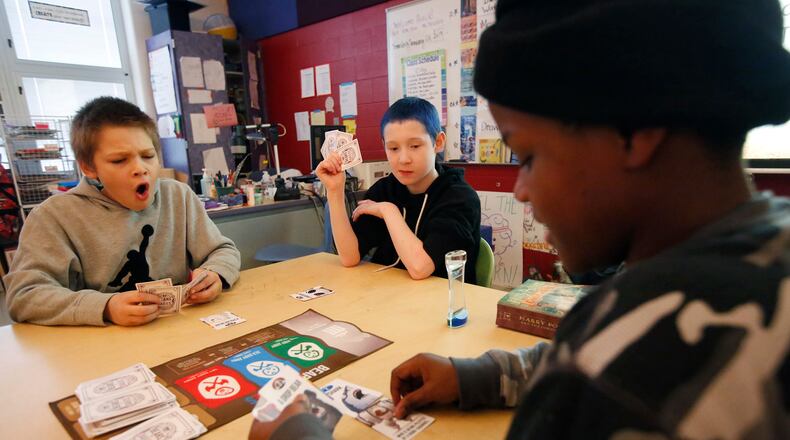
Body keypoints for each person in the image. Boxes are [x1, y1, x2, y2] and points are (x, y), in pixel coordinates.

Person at [249, 0, 790, 438]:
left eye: (529, 156)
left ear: (636, 133)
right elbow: (578, 349)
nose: (522, 191)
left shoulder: (624, 388)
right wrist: (476, 374)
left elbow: (598, 366)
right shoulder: (739, 253)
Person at [5, 97, 241, 326]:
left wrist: (215, 273)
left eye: (148, 156)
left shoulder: (178, 195)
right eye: (119, 160)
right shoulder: (53, 216)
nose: (140, 168)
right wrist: (105, 307)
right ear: (88, 167)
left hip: (178, 330)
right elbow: (24, 296)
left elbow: (222, 250)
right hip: (102, 342)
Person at [315, 97, 480, 283]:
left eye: (415, 146)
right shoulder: (385, 190)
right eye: (393, 148)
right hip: (389, 292)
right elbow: (349, 257)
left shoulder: (459, 197)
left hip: (442, 298)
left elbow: (420, 268)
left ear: (438, 142)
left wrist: (388, 211)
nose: (403, 159)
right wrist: (335, 192)